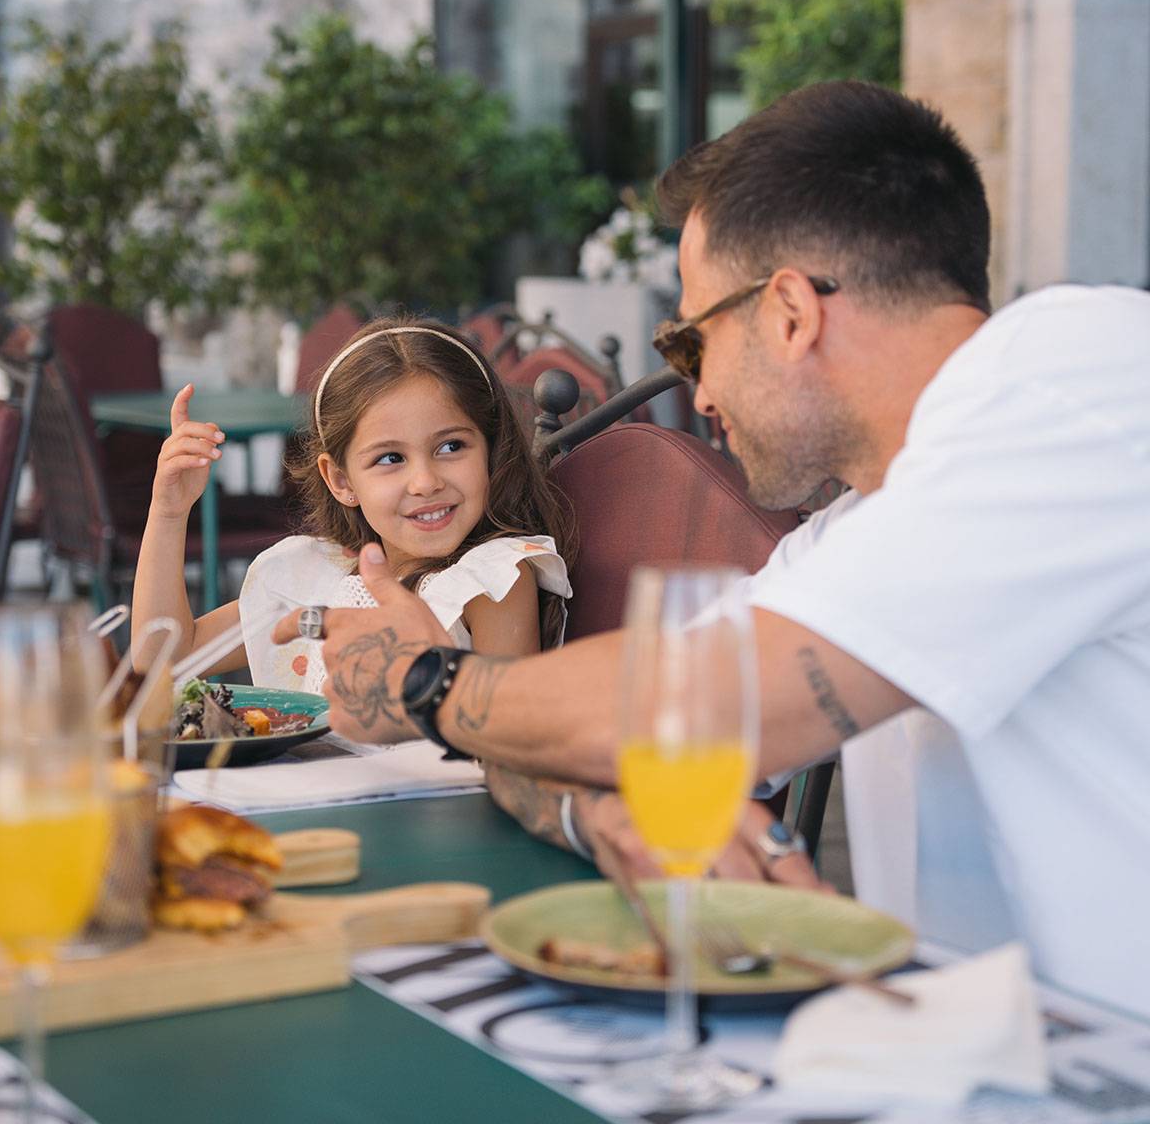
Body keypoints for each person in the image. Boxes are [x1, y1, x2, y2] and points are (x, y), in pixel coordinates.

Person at [273, 81, 1150, 1017]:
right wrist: (599, 805)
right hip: (973, 1048)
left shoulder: (1084, 390)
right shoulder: (863, 525)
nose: (695, 392)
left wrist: (425, 682)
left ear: (787, 314)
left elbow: (701, 703)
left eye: (690, 342)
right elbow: (657, 716)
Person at [132, 317, 574, 686]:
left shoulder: (491, 580)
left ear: (490, 450)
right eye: (390, 458)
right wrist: (169, 513)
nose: (424, 481)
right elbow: (165, 660)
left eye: (451, 447)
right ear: (341, 480)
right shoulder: (313, 574)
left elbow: (511, 738)